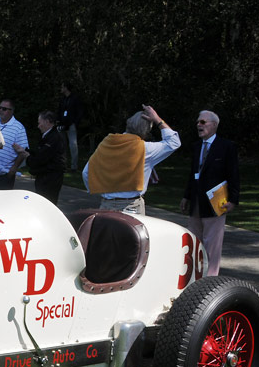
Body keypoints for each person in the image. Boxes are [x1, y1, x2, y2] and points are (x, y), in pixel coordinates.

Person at [83, 104, 180, 214]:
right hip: (131, 208)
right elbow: (174, 142)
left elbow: (86, 173)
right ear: (147, 130)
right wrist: (158, 119)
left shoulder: (107, 144)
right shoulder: (145, 149)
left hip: (105, 206)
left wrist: (100, 191)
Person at [180, 111, 239, 276]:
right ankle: (193, 276)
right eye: (198, 122)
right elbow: (192, 174)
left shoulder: (226, 146)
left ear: (214, 125)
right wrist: (186, 196)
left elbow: (233, 174)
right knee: (193, 241)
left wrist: (233, 200)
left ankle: (210, 278)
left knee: (212, 244)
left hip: (215, 202)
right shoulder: (196, 147)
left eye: (203, 122)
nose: (199, 125)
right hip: (196, 202)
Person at [14, 111, 66, 204]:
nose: (38, 126)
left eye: (39, 123)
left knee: (47, 203)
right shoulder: (49, 136)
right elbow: (40, 153)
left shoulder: (54, 138)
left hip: (50, 178)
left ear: (47, 121)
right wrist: (26, 151)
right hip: (45, 176)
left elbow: (41, 158)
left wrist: (27, 156)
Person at [0, 99, 29, 189]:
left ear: (11, 111)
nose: (0, 110)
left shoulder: (18, 128)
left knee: (1, 202)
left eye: (4, 109)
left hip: (5, 175)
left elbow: (23, 151)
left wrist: (13, 169)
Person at [58, 82, 83, 172]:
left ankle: (74, 166)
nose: (61, 88)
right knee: (62, 145)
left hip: (71, 124)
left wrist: (75, 123)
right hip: (62, 125)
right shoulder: (62, 99)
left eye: (62, 87)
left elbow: (79, 112)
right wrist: (59, 122)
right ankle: (63, 164)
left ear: (66, 87)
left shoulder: (75, 99)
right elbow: (60, 111)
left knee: (73, 145)